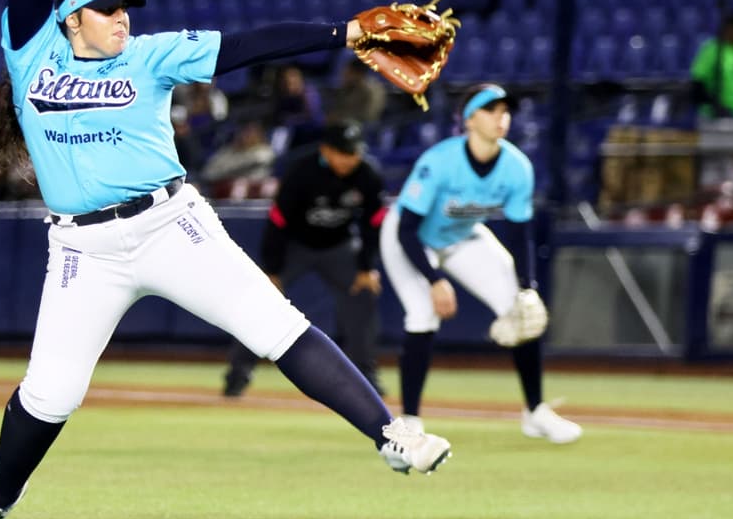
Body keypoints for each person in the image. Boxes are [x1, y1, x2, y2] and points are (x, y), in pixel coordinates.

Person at [0, 0, 453, 519]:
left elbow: (249, 46)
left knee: (274, 325)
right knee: (52, 393)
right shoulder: (33, 50)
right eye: (104, 9)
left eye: (124, 6)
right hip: (83, 250)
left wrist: (341, 33)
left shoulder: (150, 55)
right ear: (69, 20)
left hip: (167, 224)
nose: (120, 17)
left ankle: (390, 432)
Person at [379, 83, 581, 444]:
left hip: (460, 236)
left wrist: (527, 286)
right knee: (422, 313)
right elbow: (407, 230)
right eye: (491, 110)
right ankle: (409, 420)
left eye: (505, 111)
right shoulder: (440, 161)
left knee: (521, 311)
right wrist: (435, 280)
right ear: (469, 119)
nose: (501, 117)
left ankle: (535, 412)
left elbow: (521, 234)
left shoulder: (517, 167)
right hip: (408, 237)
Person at [222, 119, 387, 398]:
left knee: (363, 296)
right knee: (261, 300)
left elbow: (374, 222)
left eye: (355, 152)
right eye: (344, 153)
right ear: (327, 151)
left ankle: (365, 373)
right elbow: (278, 221)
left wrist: (366, 267)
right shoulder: (302, 171)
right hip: (294, 246)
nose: (351, 159)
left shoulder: (368, 174)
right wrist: (272, 271)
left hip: (339, 246)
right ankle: (239, 372)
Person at [324, 57, 387, 126]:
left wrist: (341, 118)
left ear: (358, 74)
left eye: (348, 73)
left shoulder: (372, 91)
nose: (344, 76)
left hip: (363, 127)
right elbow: (338, 108)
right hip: (343, 124)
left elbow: (370, 116)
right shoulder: (346, 87)